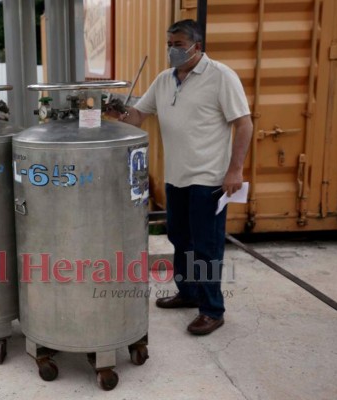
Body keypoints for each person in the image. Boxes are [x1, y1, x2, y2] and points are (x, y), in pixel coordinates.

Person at [114, 19, 253, 335]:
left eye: (178, 45)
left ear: (197, 47)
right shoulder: (164, 80)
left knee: (206, 245)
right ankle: (188, 293)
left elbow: (244, 124)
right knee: (180, 239)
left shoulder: (220, 76)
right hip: (176, 178)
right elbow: (137, 116)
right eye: (169, 44)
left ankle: (212, 310)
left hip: (210, 180)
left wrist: (235, 170)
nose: (172, 50)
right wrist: (120, 111)